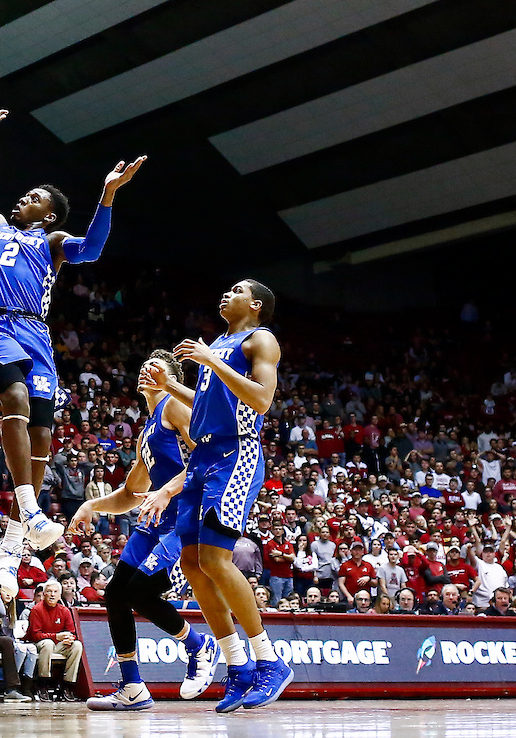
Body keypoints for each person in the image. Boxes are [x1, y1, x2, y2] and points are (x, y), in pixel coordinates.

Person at [0, 109, 146, 596]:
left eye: (34, 197)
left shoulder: (55, 241)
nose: (24, 198)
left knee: (43, 435)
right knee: (15, 402)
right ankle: (32, 509)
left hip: (36, 333)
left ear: (48, 214)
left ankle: (16, 538)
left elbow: (95, 249)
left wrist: (108, 195)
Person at [142, 280, 293, 711]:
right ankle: (238, 666)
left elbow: (261, 400)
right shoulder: (220, 343)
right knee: (191, 562)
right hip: (204, 454)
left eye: (238, 289)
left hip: (235, 452)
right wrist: (171, 387)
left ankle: (269, 661)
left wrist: (210, 360)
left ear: (257, 304)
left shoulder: (259, 339)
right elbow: (208, 408)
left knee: (216, 559)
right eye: (225, 289)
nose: (227, 293)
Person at [73, 350, 216, 711]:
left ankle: (200, 645)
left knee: (139, 592)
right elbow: (130, 493)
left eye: (155, 368)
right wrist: (93, 505)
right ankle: (133, 687)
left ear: (170, 378)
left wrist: (168, 491)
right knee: (116, 593)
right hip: (153, 521)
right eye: (143, 366)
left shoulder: (173, 406)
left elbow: (208, 459)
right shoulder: (148, 429)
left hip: (182, 518)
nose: (144, 371)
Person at [25, 579, 84, 700]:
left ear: (59, 595)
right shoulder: (36, 610)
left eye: (55, 592)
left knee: (77, 645)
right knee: (48, 644)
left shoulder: (64, 610)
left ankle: (67, 684)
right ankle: (43, 684)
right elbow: (35, 635)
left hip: (58, 645)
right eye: (49, 591)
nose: (52, 594)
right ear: (44, 594)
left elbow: (72, 632)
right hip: (38, 644)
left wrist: (69, 639)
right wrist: (56, 636)